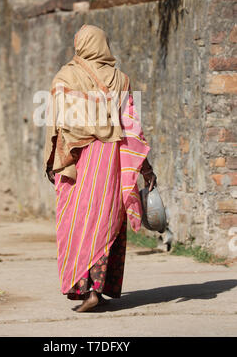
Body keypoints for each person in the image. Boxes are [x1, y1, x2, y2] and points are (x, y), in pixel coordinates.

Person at [43, 24, 157, 312]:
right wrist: (145, 168)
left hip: (79, 160)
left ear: (81, 44)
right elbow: (131, 128)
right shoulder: (120, 78)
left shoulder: (67, 75)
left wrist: (51, 160)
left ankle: (87, 291)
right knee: (106, 220)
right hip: (113, 159)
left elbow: (57, 122)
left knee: (76, 222)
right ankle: (99, 288)